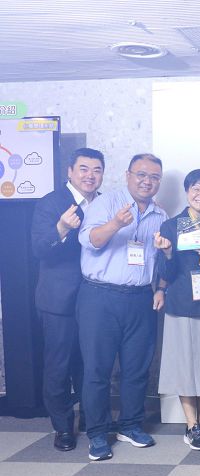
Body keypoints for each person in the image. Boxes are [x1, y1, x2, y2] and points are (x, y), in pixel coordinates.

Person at [77, 153, 167, 461]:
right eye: (141, 174)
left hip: (141, 298)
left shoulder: (160, 215)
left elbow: (163, 259)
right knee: (97, 369)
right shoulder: (106, 203)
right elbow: (90, 240)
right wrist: (116, 223)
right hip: (99, 297)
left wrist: (161, 288)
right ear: (128, 175)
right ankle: (98, 433)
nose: (147, 181)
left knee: (137, 368)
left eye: (154, 177)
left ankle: (130, 425)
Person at [31, 148, 104, 451]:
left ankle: (90, 418)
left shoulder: (104, 203)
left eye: (97, 170)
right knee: (59, 366)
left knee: (91, 363)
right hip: (58, 300)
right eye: (84, 169)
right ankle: (62, 427)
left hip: (94, 298)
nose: (90, 175)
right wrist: (61, 227)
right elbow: (38, 248)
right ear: (70, 172)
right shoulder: (51, 202)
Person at [153, 169, 200, 451]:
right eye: (196, 189)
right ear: (187, 191)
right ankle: (191, 424)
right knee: (185, 364)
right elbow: (167, 272)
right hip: (181, 303)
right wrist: (167, 252)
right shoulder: (171, 226)